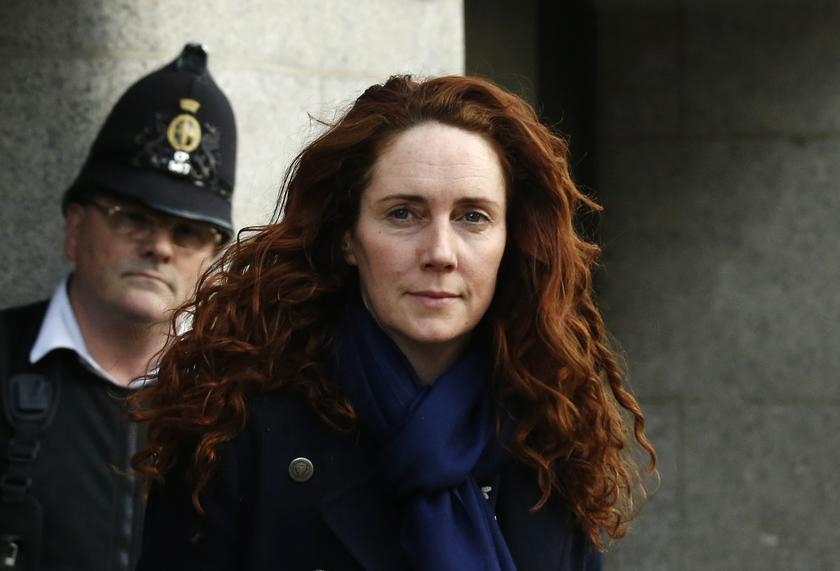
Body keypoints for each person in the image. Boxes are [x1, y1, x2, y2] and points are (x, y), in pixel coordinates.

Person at [132, 75, 656, 571]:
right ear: (348, 238)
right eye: (404, 213)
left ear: (509, 241)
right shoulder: (237, 431)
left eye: (473, 216)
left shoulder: (551, 437)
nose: (440, 253)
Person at [0, 43, 237, 571]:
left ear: (212, 260)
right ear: (75, 227)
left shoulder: (241, 397)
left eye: (188, 232)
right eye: (133, 218)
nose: (160, 247)